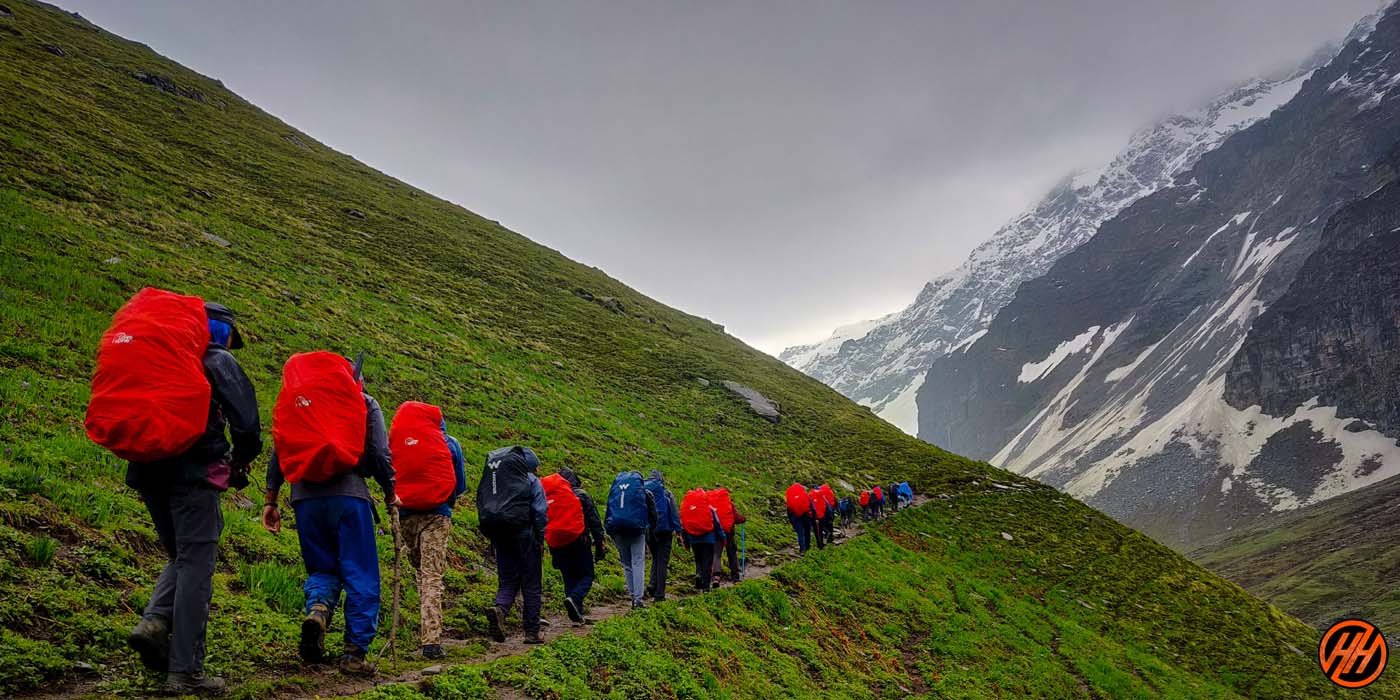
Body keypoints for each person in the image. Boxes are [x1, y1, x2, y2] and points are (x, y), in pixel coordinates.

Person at [123, 301, 261, 696]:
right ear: (220, 332)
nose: (233, 346)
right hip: (193, 474)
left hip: (147, 470)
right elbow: (247, 425)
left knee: (180, 556)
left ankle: (153, 622)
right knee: (197, 564)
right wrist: (239, 462)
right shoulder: (216, 359)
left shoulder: (160, 355)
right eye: (233, 337)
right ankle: (185, 671)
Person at [263, 353, 396, 676]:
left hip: (304, 498)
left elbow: (280, 449)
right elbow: (379, 453)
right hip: (349, 495)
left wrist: (272, 499)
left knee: (322, 568)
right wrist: (390, 491)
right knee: (361, 573)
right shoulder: (363, 401)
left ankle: (319, 610)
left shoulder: (297, 400)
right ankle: (353, 654)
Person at [389, 402, 467, 660]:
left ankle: (411, 628)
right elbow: (460, 483)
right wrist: (446, 500)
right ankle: (431, 641)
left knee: (418, 569)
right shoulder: (449, 443)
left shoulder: (397, 440)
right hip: (437, 514)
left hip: (406, 513)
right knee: (432, 575)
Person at [476, 446, 548, 645]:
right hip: (525, 535)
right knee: (531, 582)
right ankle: (532, 631)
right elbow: (540, 512)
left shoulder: (497, 482)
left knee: (507, 580)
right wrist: (540, 538)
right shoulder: (532, 481)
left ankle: (500, 609)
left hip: (499, 534)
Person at [550, 468, 606, 625]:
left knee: (569, 577)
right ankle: (574, 599)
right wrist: (599, 541)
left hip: (557, 542)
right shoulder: (581, 495)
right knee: (587, 575)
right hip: (579, 540)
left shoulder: (549, 495)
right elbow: (594, 521)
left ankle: (577, 614)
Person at [605, 470, 658, 609]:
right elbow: (653, 513)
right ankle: (638, 599)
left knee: (627, 564)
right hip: (636, 530)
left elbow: (609, 509)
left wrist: (609, 531)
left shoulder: (616, 491)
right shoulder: (644, 492)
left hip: (617, 530)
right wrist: (651, 528)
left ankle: (632, 595)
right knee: (638, 562)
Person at [643, 470, 681, 602]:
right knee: (662, 561)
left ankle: (652, 584)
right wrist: (678, 531)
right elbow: (674, 513)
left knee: (655, 557)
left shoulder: (643, 490)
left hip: (649, 530)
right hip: (664, 530)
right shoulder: (666, 493)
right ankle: (659, 594)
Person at [679, 488, 725, 592]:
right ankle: (705, 587)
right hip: (708, 539)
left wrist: (686, 542)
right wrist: (722, 537)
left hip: (694, 539)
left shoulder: (688, 508)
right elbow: (717, 524)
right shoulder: (709, 508)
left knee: (698, 559)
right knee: (707, 562)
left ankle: (698, 574)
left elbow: (684, 526)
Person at [708, 487, 745, 583]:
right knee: (731, 553)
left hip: (715, 531)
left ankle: (716, 577)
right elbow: (735, 517)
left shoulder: (710, 504)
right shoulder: (728, 504)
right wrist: (743, 519)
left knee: (716, 554)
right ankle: (735, 577)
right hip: (729, 532)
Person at [784, 482, 814, 554]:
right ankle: (807, 547)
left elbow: (788, 509)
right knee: (807, 531)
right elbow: (811, 506)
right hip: (806, 515)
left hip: (795, 516)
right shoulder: (804, 493)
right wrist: (813, 517)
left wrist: (791, 521)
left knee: (800, 533)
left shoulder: (790, 495)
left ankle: (802, 549)